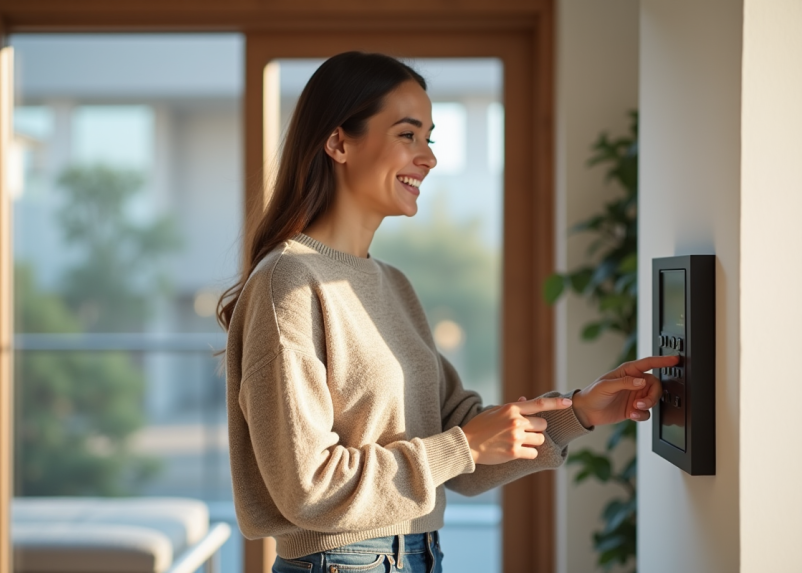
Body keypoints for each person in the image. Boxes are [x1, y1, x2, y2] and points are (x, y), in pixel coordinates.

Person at [217, 51, 677, 573]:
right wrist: (460, 446)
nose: (429, 157)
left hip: (418, 554)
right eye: (408, 135)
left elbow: (461, 451)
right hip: (345, 562)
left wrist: (580, 412)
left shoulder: (392, 283)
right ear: (339, 142)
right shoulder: (288, 282)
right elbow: (308, 489)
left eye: (429, 139)